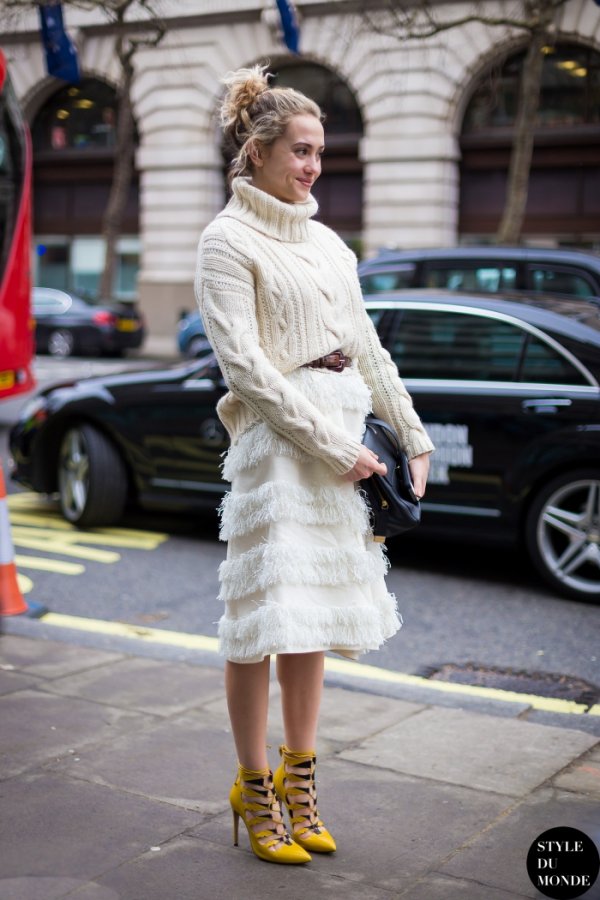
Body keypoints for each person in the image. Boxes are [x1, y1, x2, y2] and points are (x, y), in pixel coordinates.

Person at [195, 65, 434, 865]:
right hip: (282, 447)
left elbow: (365, 346)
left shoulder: (330, 243)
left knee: (311, 625)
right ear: (257, 150)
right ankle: (254, 786)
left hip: (348, 439)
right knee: (259, 621)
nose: (312, 166)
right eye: (300, 150)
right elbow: (247, 371)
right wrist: (339, 449)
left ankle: (301, 781)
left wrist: (413, 432)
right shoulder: (226, 241)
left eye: (320, 153)